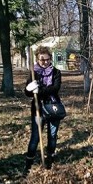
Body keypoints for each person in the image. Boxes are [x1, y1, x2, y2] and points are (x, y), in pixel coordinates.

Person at [24, 46, 63, 174]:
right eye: (42, 60)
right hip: (38, 108)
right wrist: (29, 89)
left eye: (47, 59)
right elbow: (28, 93)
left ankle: (50, 158)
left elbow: (55, 88)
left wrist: (39, 91)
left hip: (53, 107)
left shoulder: (56, 72)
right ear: (37, 60)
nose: (45, 62)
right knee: (35, 136)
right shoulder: (33, 73)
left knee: (52, 135)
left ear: (50, 58)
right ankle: (28, 164)